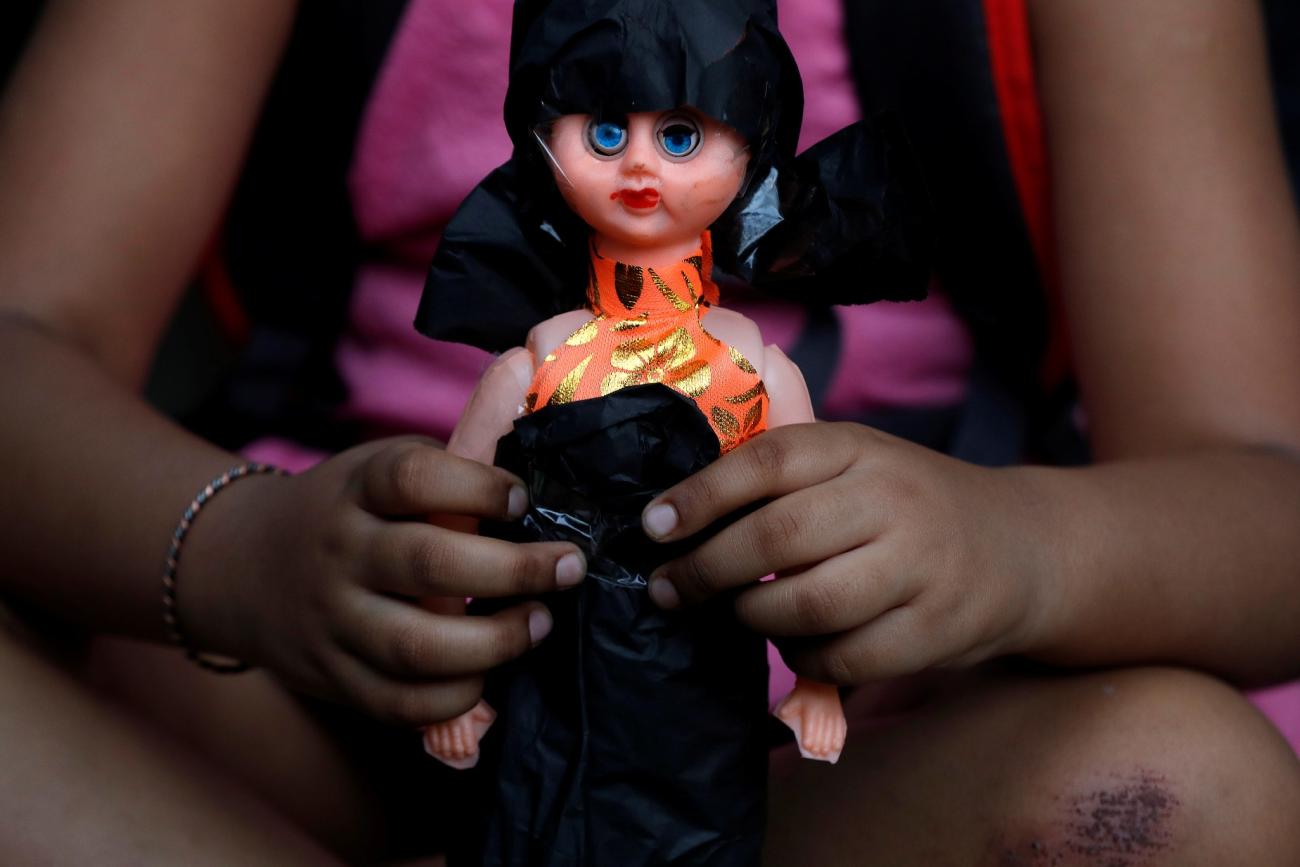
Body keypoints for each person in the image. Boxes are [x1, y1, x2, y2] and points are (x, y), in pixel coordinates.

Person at [1, 1, 1298, 865]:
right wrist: (247, 558)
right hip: (353, 691)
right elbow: (25, 339)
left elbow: (1265, 511)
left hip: (824, 773)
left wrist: (1014, 554)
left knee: (1179, 792)